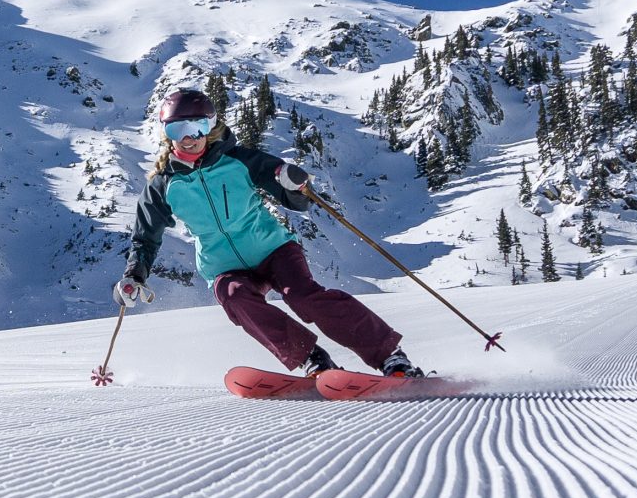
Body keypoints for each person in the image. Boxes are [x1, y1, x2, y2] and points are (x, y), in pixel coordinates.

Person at [113, 87, 422, 378]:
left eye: (196, 128)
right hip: (223, 265)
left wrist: (296, 183)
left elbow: (294, 197)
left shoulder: (239, 162)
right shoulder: (163, 186)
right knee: (234, 297)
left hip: (273, 250)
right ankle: (312, 358)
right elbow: (145, 237)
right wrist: (134, 276)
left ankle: (389, 356)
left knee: (303, 297)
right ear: (166, 134)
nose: (188, 138)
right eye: (176, 130)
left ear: (210, 126)